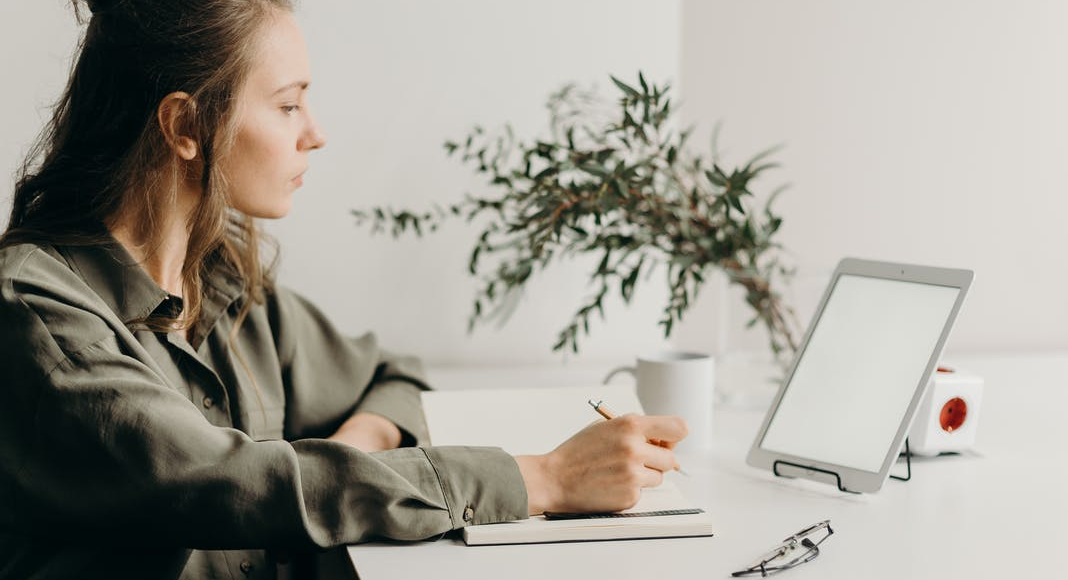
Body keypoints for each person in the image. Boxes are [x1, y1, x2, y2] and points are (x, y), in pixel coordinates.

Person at [0, 1, 689, 578]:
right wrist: (544, 480)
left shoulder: (224, 285)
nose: (317, 134)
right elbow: (227, 481)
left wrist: (355, 447)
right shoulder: (35, 315)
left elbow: (392, 378)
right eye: (288, 105)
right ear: (185, 126)